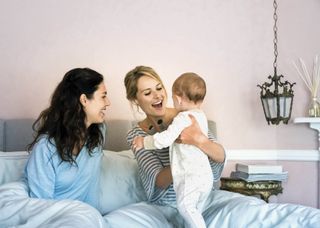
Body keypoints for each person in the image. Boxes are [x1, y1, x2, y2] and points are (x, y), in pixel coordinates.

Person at [124, 65, 225, 227]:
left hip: (202, 195)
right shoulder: (136, 136)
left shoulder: (186, 115)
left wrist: (199, 140)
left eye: (159, 88)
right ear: (135, 100)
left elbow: (220, 156)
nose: (157, 96)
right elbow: (158, 180)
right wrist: (185, 161)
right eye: (148, 93)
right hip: (168, 204)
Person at [24, 67, 110, 211]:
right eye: (103, 96)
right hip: (57, 219)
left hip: (90, 218)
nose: (108, 103)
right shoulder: (45, 148)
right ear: (84, 100)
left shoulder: (98, 134)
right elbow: (40, 206)